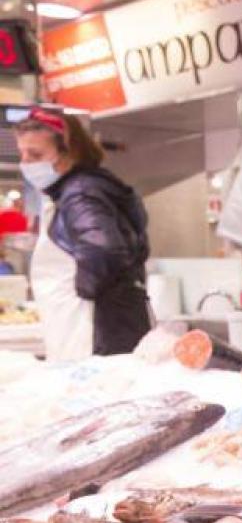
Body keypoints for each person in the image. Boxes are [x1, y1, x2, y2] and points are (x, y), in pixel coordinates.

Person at [15, 108, 151, 360]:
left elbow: (105, 251)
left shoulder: (80, 194)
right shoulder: (82, 189)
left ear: (69, 152)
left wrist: (85, 293)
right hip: (99, 330)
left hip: (91, 333)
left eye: (35, 154)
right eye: (22, 154)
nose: (26, 163)